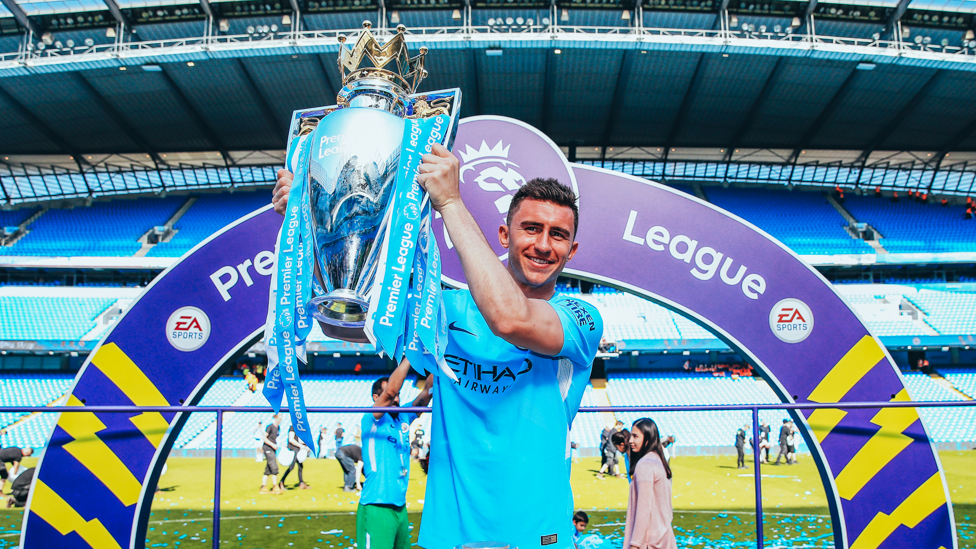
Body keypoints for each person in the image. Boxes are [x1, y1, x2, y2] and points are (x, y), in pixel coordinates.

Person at [273, 144, 603, 549]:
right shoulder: (446, 310)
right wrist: (312, 227)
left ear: (572, 251)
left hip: (539, 536)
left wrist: (448, 201)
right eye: (531, 228)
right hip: (448, 537)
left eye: (559, 235)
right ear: (504, 235)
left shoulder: (581, 318)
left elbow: (511, 319)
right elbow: (352, 318)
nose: (544, 244)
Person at [359, 359, 434, 549]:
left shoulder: (403, 416)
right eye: (389, 396)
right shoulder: (372, 418)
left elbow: (427, 392)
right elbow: (391, 391)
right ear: (376, 398)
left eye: (399, 395)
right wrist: (410, 356)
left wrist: (440, 356)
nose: (395, 398)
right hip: (377, 504)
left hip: (400, 506)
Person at [624, 418, 677, 549]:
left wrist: (635, 545)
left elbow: (643, 508)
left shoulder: (645, 465)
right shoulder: (660, 461)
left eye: (635, 436)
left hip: (648, 541)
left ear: (647, 439)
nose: (630, 440)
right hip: (665, 537)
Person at [279, 425, 311, 490]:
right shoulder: (293, 427)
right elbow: (291, 440)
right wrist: (301, 446)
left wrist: (305, 445)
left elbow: (298, 440)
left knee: (300, 466)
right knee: (291, 467)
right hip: (293, 449)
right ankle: (281, 482)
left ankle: (301, 483)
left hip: (297, 449)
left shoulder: (298, 428)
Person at [259, 414, 283, 494]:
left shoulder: (277, 428)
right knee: (274, 467)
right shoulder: (270, 427)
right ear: (276, 418)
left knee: (268, 469)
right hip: (268, 448)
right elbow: (264, 437)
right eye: (280, 418)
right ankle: (275, 486)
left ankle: (263, 487)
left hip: (273, 449)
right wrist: (272, 444)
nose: (281, 420)